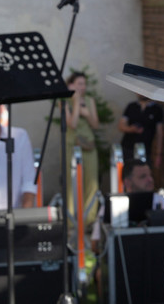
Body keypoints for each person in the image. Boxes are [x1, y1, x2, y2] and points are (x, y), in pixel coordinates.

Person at [65, 72, 100, 223]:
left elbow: (96, 125)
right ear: (71, 85)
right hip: (72, 146)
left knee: (91, 182)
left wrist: (87, 112)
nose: (83, 87)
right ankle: (72, 220)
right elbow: (72, 124)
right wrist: (76, 104)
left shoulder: (90, 101)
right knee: (72, 182)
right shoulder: (65, 102)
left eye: (84, 84)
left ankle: (89, 219)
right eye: (79, 83)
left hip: (88, 145)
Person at [119, 95, 164, 168]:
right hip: (127, 148)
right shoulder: (131, 106)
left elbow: (160, 134)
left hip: (145, 151)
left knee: (143, 174)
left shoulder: (157, 109)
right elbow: (121, 125)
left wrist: (158, 154)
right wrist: (131, 129)